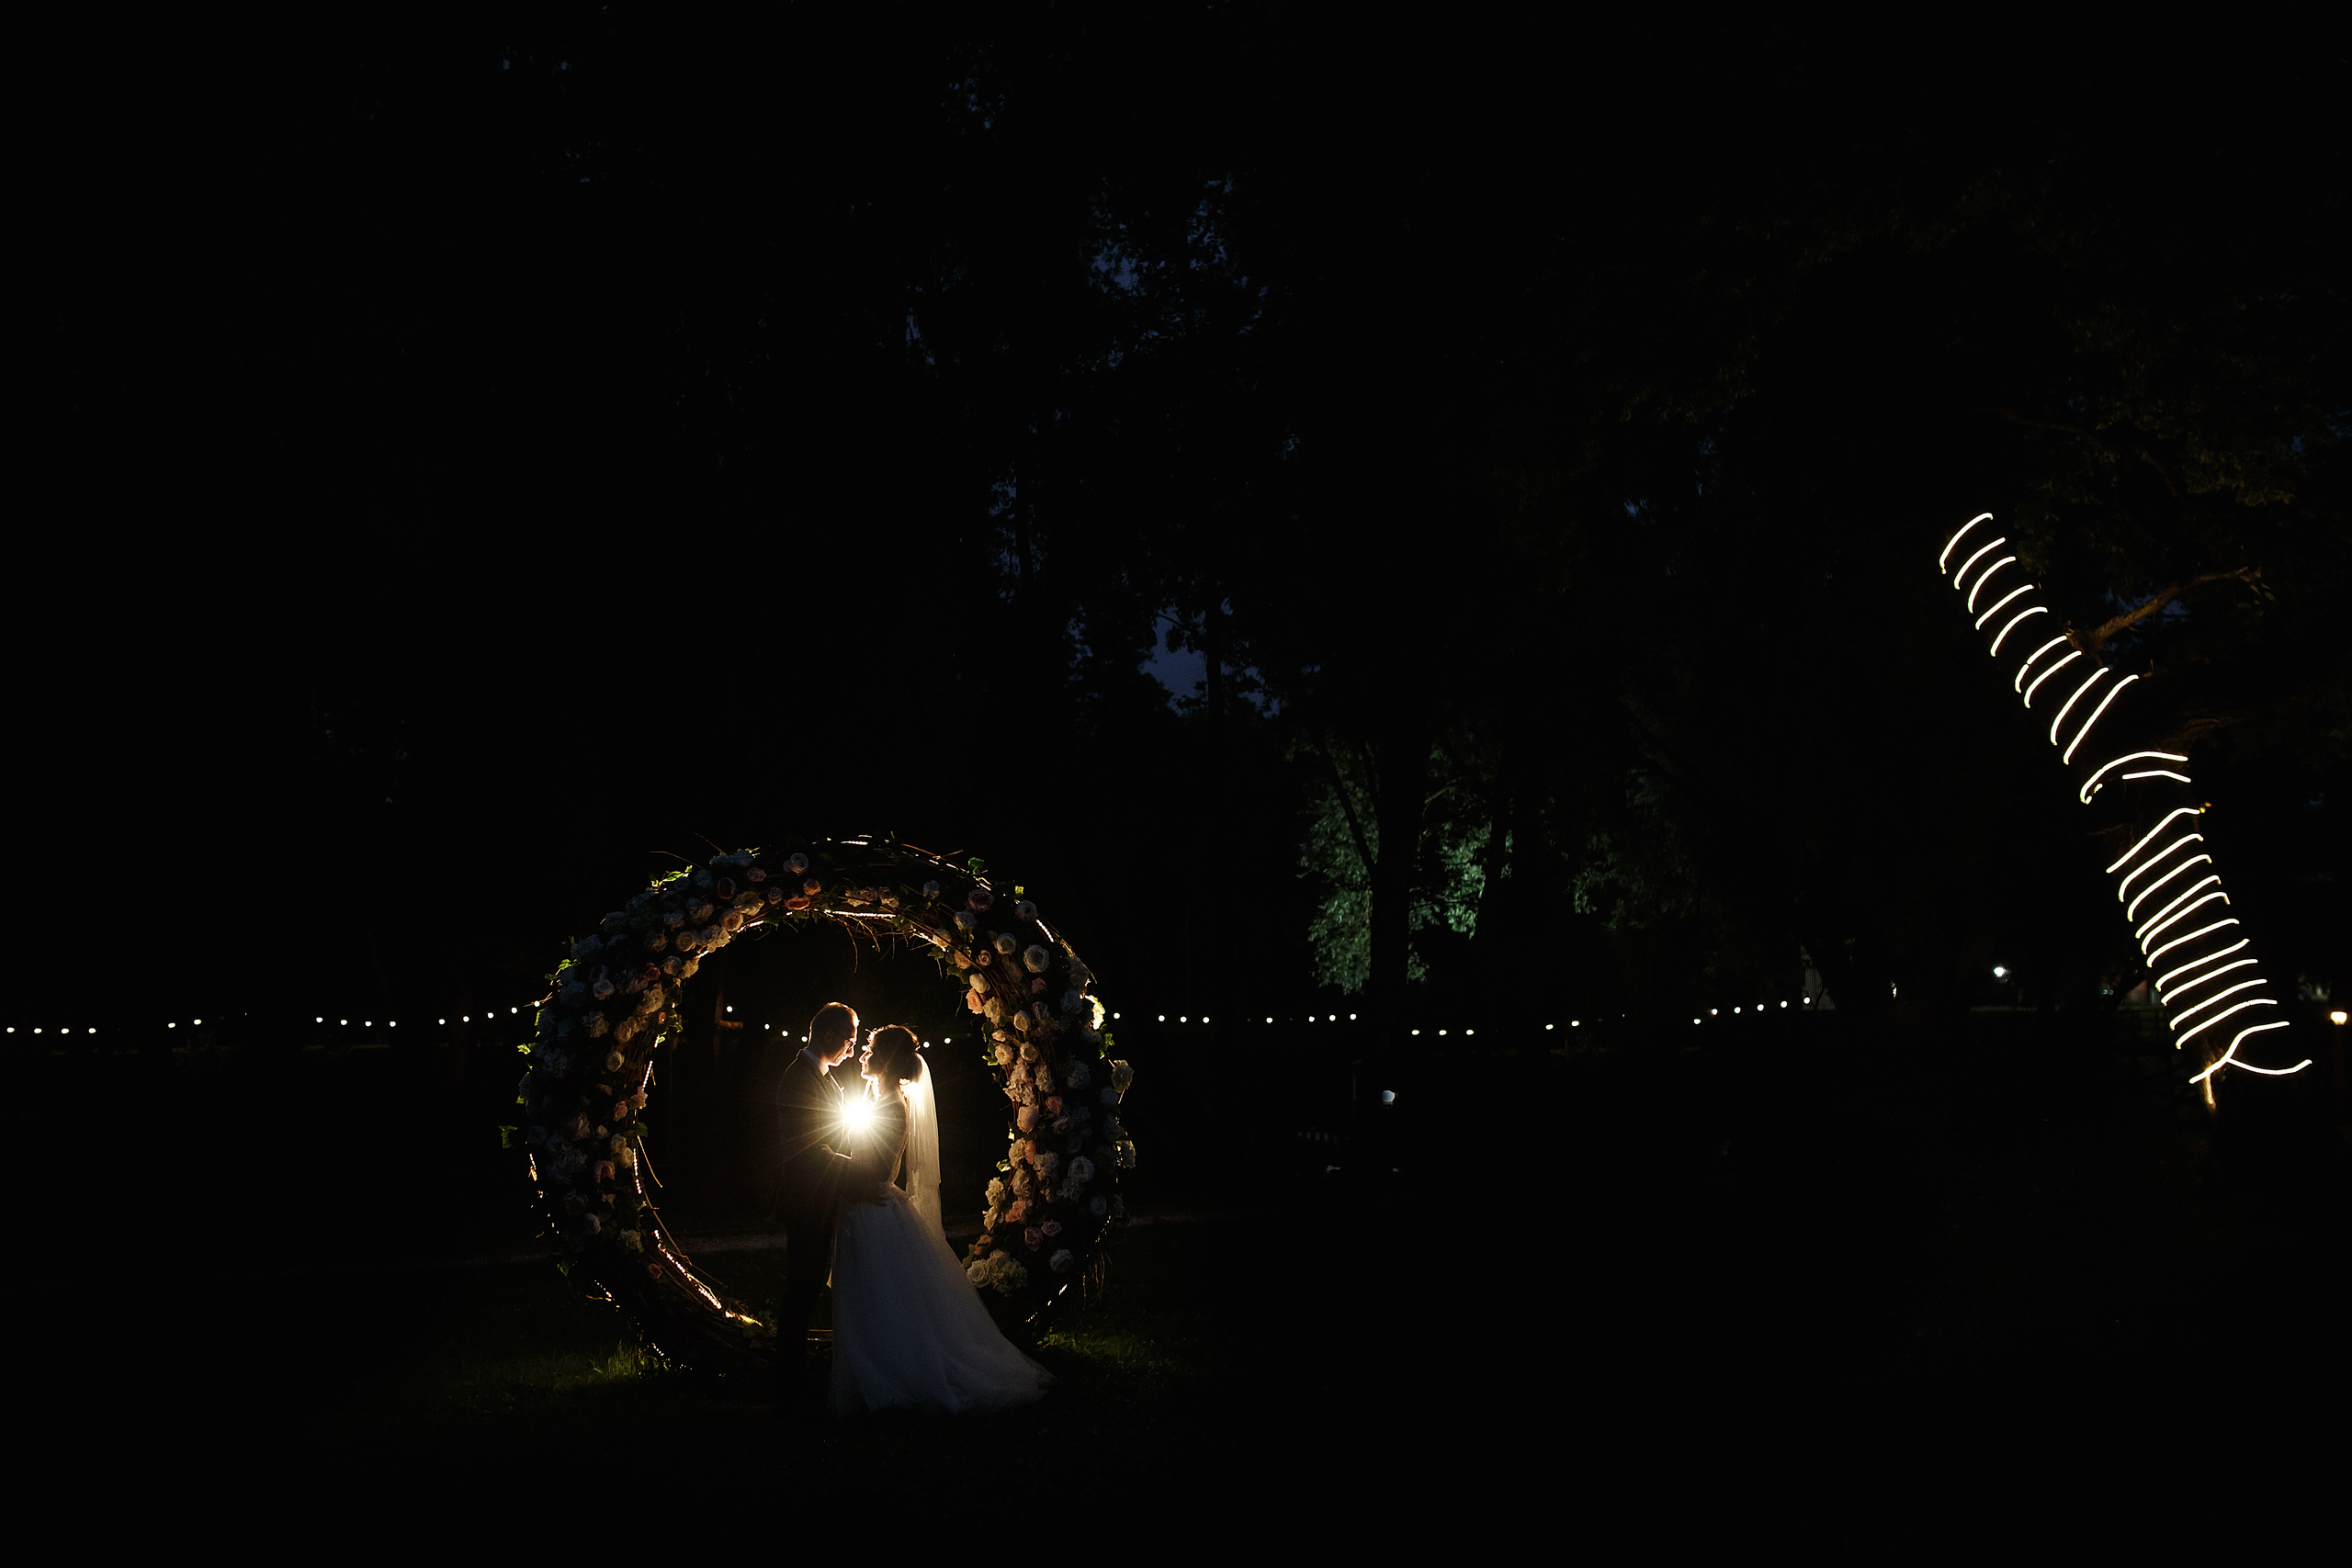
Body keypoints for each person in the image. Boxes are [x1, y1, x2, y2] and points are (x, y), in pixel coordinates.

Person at [829, 1024, 1054, 1415]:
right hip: (861, 1209)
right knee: (870, 1303)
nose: (863, 1055)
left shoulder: (892, 1107)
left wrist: (830, 1160)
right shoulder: (876, 1097)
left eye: (870, 1049)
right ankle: (872, 1375)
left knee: (882, 1302)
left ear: (885, 1061)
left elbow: (880, 1171)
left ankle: (893, 1378)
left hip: (874, 1213)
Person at [773, 1001, 859, 1417]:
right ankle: (788, 1382)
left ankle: (794, 1376)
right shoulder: (799, 1078)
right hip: (806, 1199)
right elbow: (809, 1148)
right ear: (827, 1035)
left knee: (807, 1287)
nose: (851, 1048)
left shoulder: (823, 1077)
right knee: (801, 1288)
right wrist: (858, 1171)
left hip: (821, 1197)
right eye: (849, 1038)